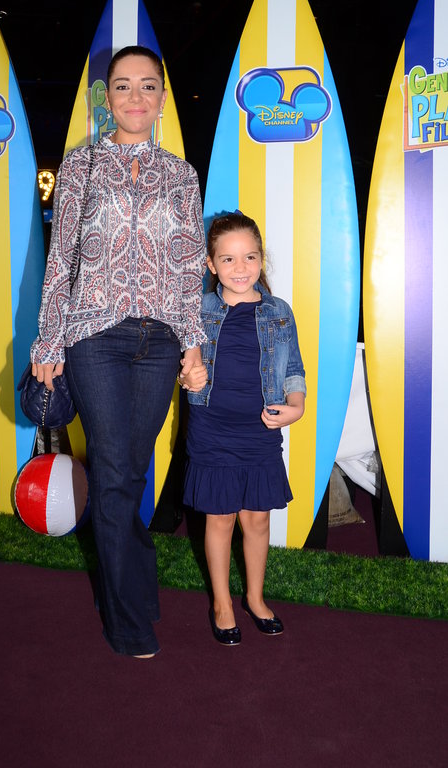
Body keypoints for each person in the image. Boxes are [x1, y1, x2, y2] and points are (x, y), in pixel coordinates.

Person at [30, 45, 207, 658]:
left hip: (160, 342)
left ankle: (132, 580)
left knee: (129, 470)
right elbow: (60, 261)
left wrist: (192, 344)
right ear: (106, 98)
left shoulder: (182, 175)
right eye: (123, 86)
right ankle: (128, 620)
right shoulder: (80, 166)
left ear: (162, 98)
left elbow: (188, 267)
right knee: (111, 469)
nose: (136, 97)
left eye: (147, 86)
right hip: (94, 336)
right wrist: (48, 341)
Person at [179, 212, 306, 645]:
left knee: (257, 519)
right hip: (212, 428)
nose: (240, 268)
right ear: (211, 264)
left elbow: (293, 368)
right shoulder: (197, 311)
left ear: (261, 259)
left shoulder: (278, 311)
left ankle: (255, 597)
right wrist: (185, 377)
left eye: (249, 257)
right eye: (228, 259)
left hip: (259, 430)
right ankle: (222, 604)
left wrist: (296, 407)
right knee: (220, 519)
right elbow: (180, 365)